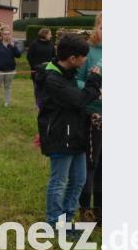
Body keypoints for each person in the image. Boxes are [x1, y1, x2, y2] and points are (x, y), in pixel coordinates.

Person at [36, 34, 101, 230]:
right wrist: (94, 80)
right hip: (60, 136)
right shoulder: (52, 77)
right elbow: (78, 99)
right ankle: (55, 223)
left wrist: (91, 115)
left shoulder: (69, 73)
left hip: (76, 135)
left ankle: (67, 219)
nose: (86, 61)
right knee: (59, 181)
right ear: (73, 59)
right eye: (84, 57)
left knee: (79, 179)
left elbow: (76, 105)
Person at [77, 13, 102, 226]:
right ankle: (85, 211)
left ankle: (101, 211)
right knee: (91, 165)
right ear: (98, 28)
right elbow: (76, 81)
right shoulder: (90, 51)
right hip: (93, 115)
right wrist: (94, 92)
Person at [0, 27, 22, 107]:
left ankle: (7, 102)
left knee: (8, 87)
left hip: (10, 70)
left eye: (8, 34)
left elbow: (18, 55)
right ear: (2, 36)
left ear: (10, 35)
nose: (7, 36)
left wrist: (14, 47)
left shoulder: (12, 45)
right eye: (5, 34)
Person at [27, 28, 55, 108]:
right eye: (49, 34)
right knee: (38, 88)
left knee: (49, 88)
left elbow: (54, 56)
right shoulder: (34, 44)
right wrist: (36, 67)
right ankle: (38, 105)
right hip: (37, 71)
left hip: (49, 71)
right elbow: (29, 57)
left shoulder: (51, 44)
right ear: (44, 34)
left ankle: (48, 104)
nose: (51, 36)